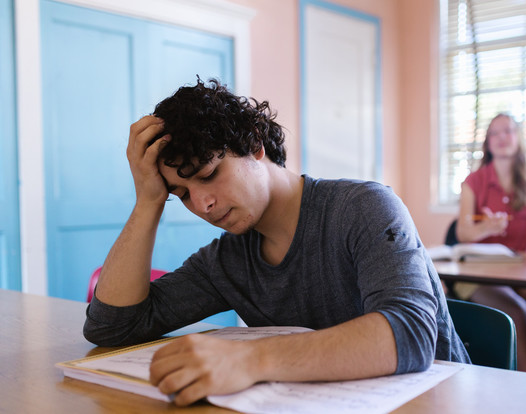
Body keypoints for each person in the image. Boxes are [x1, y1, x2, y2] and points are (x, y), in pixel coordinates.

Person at [83, 78, 470, 406]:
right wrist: (149, 201)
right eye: (181, 193)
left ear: (254, 144)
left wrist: (249, 359)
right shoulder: (228, 261)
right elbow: (111, 327)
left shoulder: (363, 208)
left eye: (209, 174)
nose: (202, 204)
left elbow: (411, 335)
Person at [454, 113, 526, 373]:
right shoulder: (474, 182)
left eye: (508, 131)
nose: (502, 138)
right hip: (477, 276)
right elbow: (463, 233)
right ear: (487, 143)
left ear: (518, 138)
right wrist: (486, 227)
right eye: (494, 133)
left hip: (520, 273)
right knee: (519, 312)